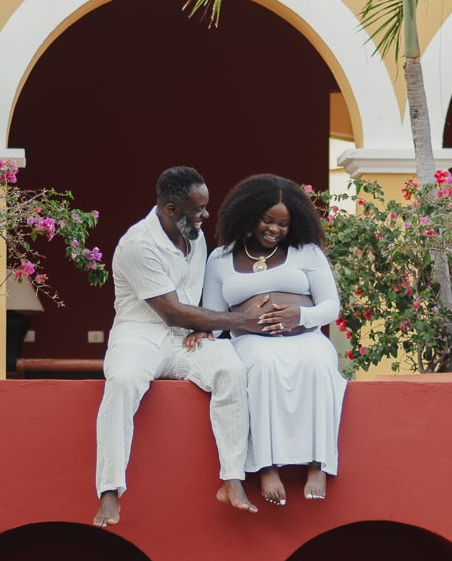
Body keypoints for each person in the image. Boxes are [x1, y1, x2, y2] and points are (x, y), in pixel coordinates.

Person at [93, 167, 289, 527]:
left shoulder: (194, 238)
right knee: (121, 382)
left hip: (186, 336)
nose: (204, 215)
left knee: (231, 370)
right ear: (171, 209)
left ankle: (231, 480)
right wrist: (241, 320)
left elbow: (189, 305)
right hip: (140, 334)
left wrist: (203, 325)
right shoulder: (139, 244)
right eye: (197, 209)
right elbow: (169, 311)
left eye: (205, 207)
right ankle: (109, 490)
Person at [203, 175, 347, 505]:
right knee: (262, 368)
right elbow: (211, 314)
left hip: (305, 337)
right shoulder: (221, 258)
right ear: (249, 215)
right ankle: (267, 467)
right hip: (251, 341)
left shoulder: (306, 252)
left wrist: (301, 317)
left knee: (317, 364)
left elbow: (330, 306)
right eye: (268, 220)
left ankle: (318, 463)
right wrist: (209, 330)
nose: (275, 229)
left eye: (283, 223)